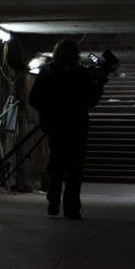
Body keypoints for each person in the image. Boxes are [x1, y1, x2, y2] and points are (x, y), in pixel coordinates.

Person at [28, 40, 104, 220]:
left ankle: (53, 200)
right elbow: (92, 101)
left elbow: (34, 100)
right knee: (74, 169)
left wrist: (50, 111)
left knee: (56, 164)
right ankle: (71, 208)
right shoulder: (82, 74)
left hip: (56, 127)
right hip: (77, 127)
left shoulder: (47, 73)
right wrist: (98, 83)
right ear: (76, 54)